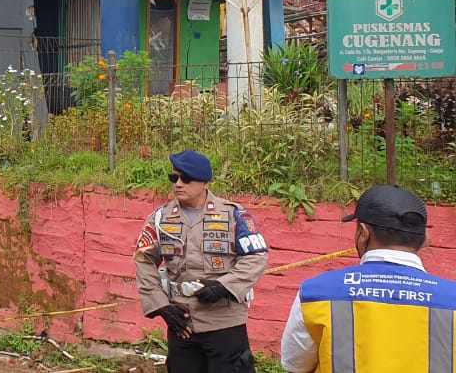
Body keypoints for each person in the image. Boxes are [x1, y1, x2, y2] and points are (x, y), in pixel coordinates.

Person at [280, 184, 454, 372]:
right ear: (425, 239)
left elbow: (295, 364)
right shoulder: (451, 298)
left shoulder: (315, 294)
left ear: (363, 233)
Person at [133, 150, 268, 373]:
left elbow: (256, 256)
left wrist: (224, 286)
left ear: (204, 182)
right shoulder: (161, 218)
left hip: (225, 323)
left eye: (185, 178)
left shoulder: (233, 215)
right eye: (173, 178)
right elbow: (144, 259)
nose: (177, 184)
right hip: (182, 322)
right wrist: (161, 306)